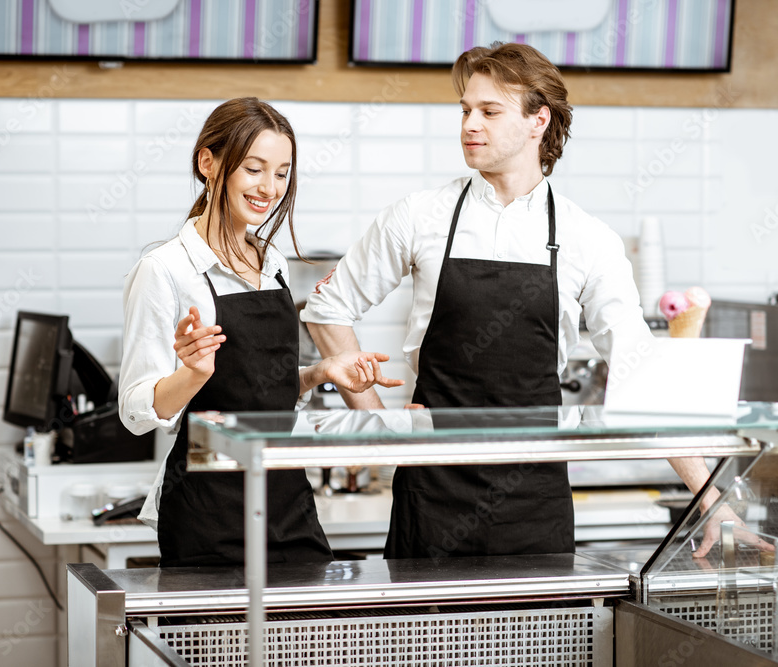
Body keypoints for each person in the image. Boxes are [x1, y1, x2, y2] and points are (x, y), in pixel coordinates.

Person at [302, 43, 738, 560]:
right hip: (432, 495)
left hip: (534, 501)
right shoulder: (420, 216)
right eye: (465, 111)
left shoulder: (586, 237)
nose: (469, 125)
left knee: (534, 641)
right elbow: (327, 308)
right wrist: (380, 431)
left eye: (489, 112)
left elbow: (637, 372)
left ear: (538, 121)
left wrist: (709, 494)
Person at [119, 97, 403, 567]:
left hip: (287, 495)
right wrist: (192, 373)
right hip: (210, 509)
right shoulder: (165, 269)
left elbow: (260, 390)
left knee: (306, 637)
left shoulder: (271, 263)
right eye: (254, 169)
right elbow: (136, 412)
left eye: (282, 172)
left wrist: (318, 373)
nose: (269, 187)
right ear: (208, 163)